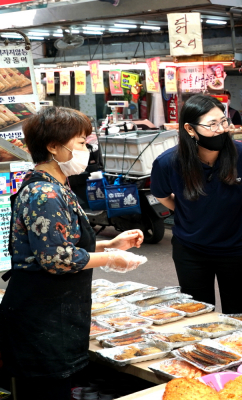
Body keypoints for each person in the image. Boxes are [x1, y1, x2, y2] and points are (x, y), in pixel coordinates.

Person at [0, 107, 145, 400]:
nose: (86, 149)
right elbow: (57, 258)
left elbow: (62, 243)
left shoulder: (58, 185)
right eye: (80, 142)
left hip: (54, 311)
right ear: (53, 146)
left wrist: (111, 244)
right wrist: (111, 259)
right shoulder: (46, 193)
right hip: (41, 318)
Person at [150, 94, 242, 314]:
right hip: (191, 250)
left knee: (239, 315)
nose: (221, 129)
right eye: (212, 124)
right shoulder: (168, 163)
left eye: (223, 121)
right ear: (190, 129)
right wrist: (190, 211)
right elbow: (163, 196)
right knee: (197, 315)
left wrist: (231, 209)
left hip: (238, 249)